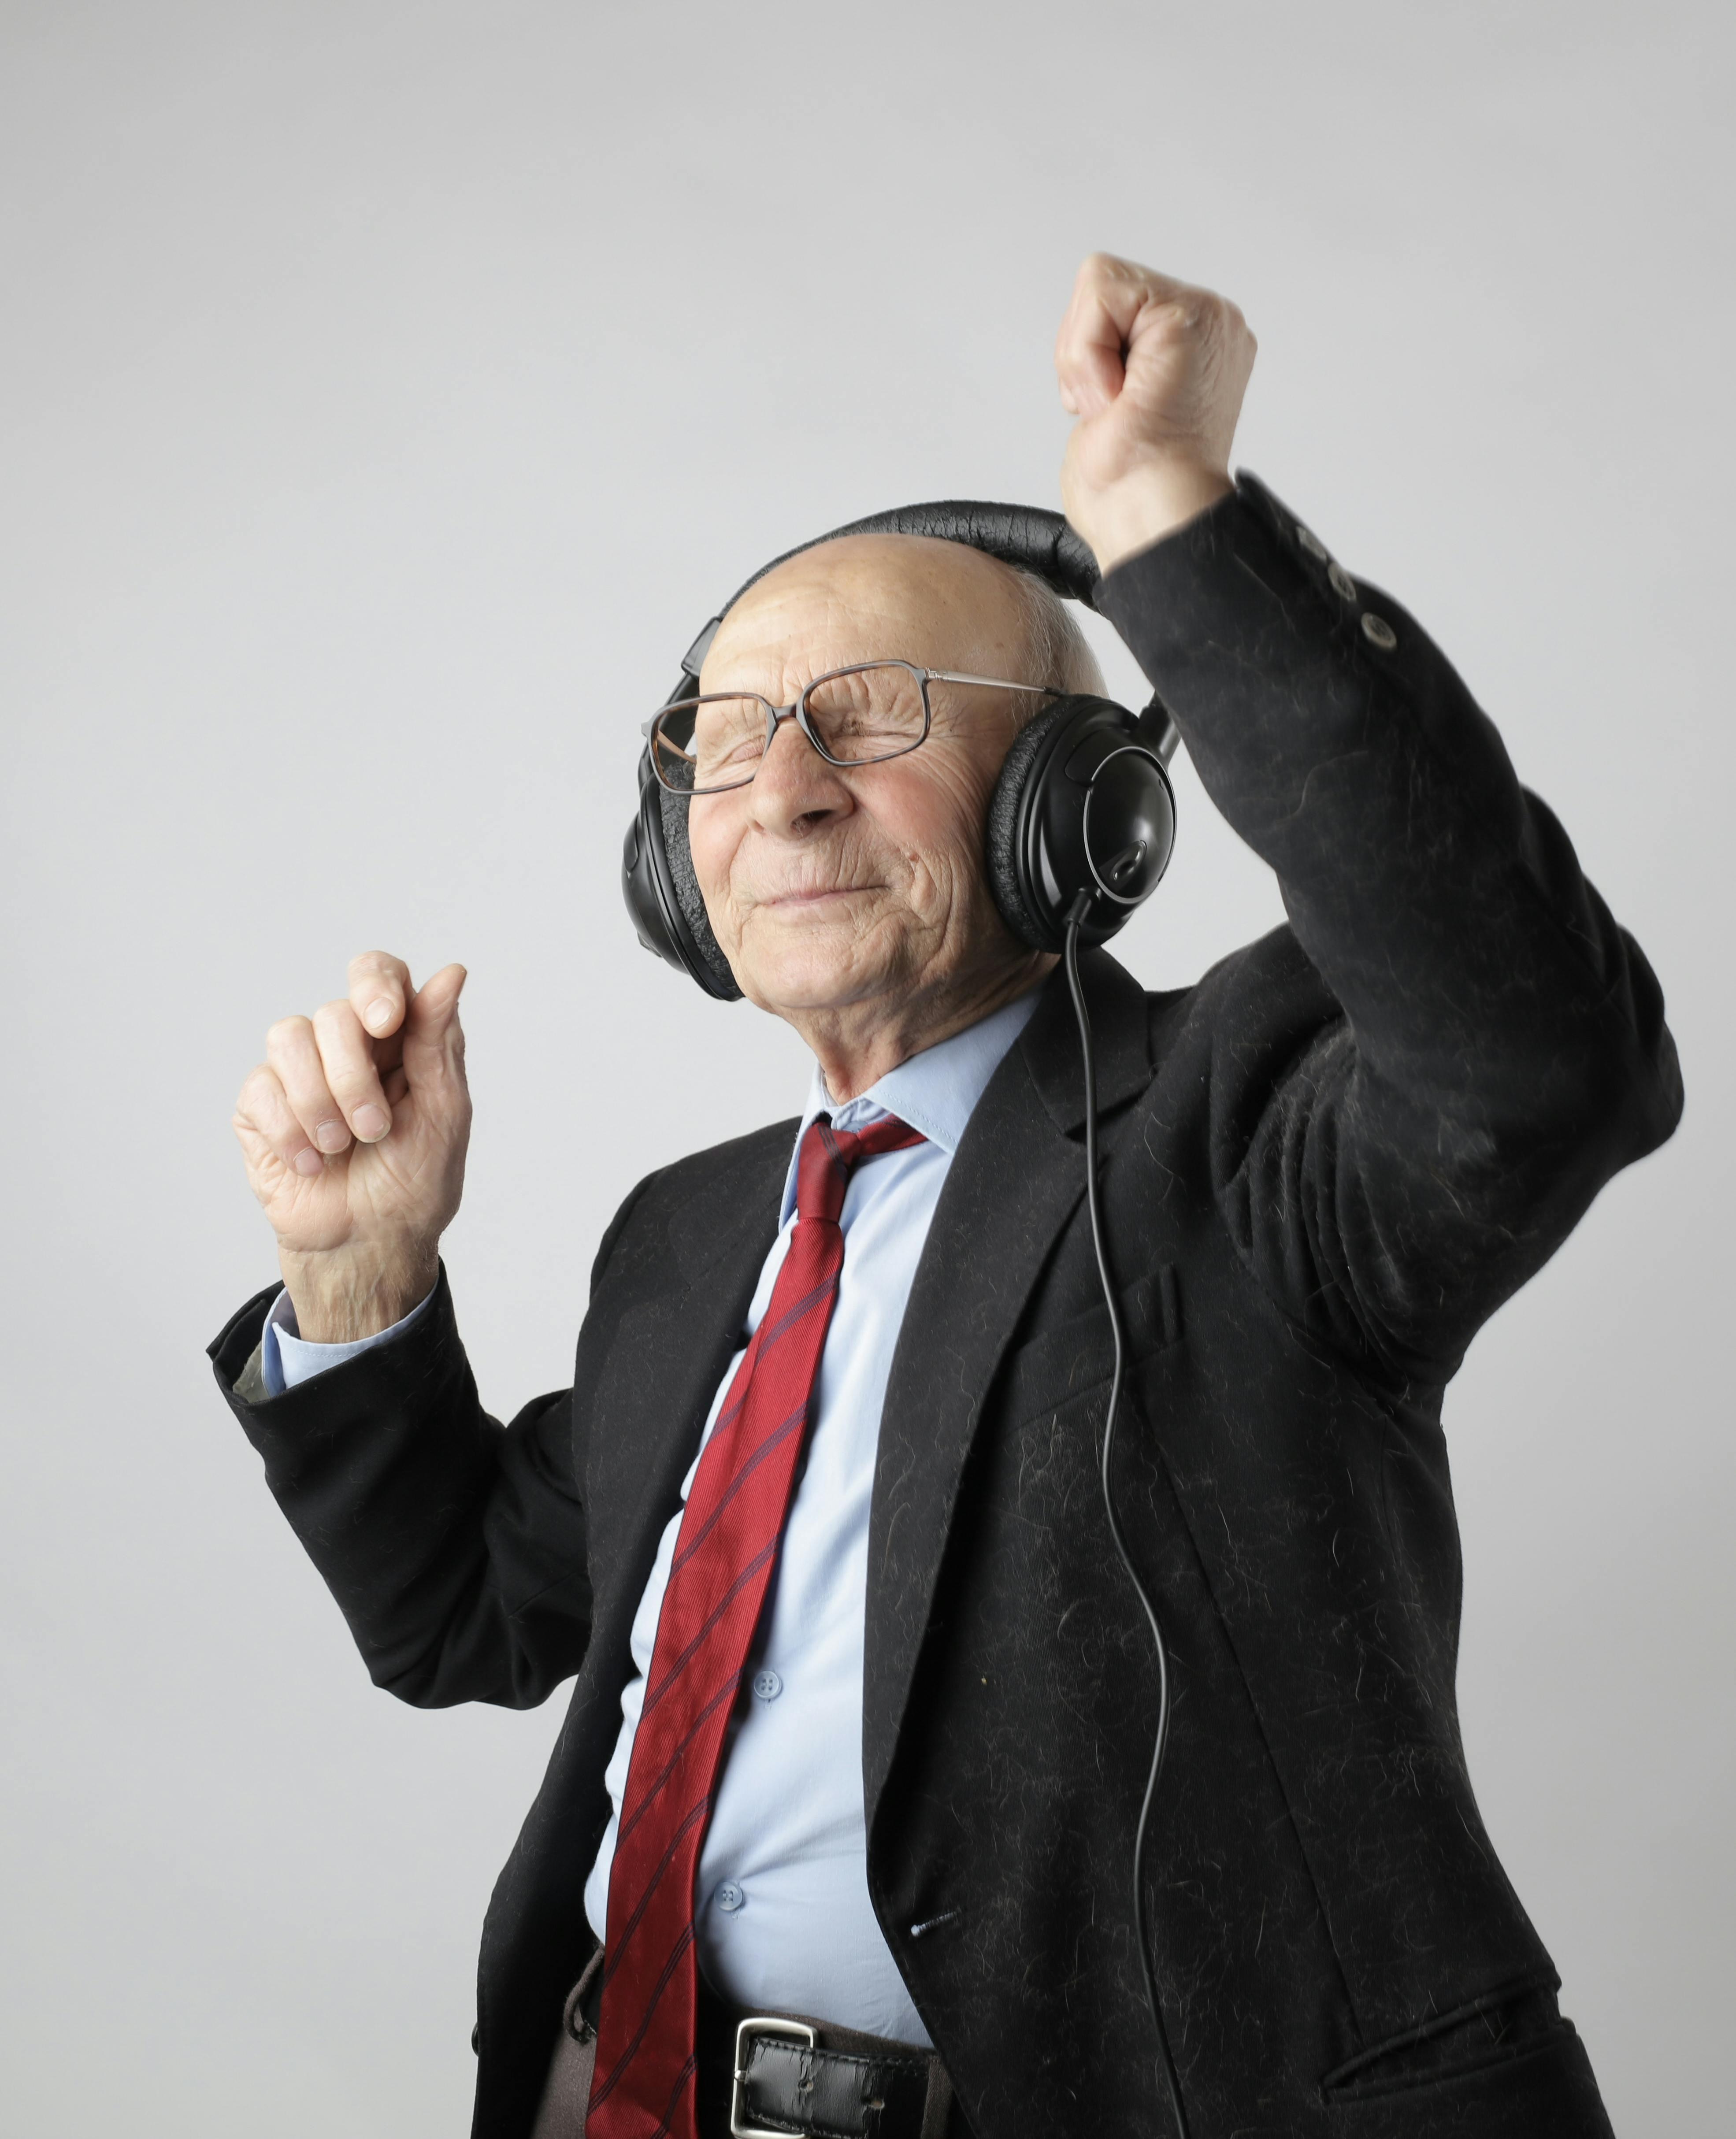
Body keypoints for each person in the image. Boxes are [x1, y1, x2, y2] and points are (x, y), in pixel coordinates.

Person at [210, 252, 1681, 2139]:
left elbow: (1540, 1055)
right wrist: (357, 1276)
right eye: (724, 737)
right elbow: (464, 1618)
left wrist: (1175, 521)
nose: (784, 789)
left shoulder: (1238, 1126)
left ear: (1078, 805)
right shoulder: (686, 1237)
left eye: (874, 712)